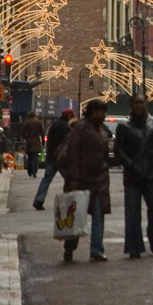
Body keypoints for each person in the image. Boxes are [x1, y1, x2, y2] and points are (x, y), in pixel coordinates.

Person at [114, 93, 153, 258]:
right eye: (136, 103)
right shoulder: (124, 127)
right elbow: (118, 150)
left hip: (152, 173)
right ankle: (134, 247)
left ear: (145, 104)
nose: (139, 105)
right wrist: (129, 164)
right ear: (131, 106)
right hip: (133, 175)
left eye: (141, 102)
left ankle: (151, 232)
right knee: (132, 211)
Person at [59, 99, 111, 262]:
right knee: (76, 216)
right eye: (100, 111)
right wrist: (73, 178)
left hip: (99, 179)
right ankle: (70, 247)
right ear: (92, 111)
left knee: (98, 214)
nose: (103, 114)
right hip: (82, 179)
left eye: (104, 111)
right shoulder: (81, 128)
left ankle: (96, 249)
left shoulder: (102, 130)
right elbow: (72, 153)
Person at [33, 108, 76, 210]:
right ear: (69, 116)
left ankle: (39, 199)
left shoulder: (54, 124)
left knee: (46, 179)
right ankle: (69, 201)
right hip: (61, 158)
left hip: (51, 156)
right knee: (69, 179)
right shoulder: (66, 127)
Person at [22, 111, 44, 178]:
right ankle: (34, 172)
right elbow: (42, 133)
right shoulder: (39, 123)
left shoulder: (27, 123)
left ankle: (29, 171)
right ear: (35, 116)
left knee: (30, 158)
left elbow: (23, 133)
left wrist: (26, 138)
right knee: (35, 158)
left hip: (29, 142)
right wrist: (43, 142)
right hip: (36, 142)